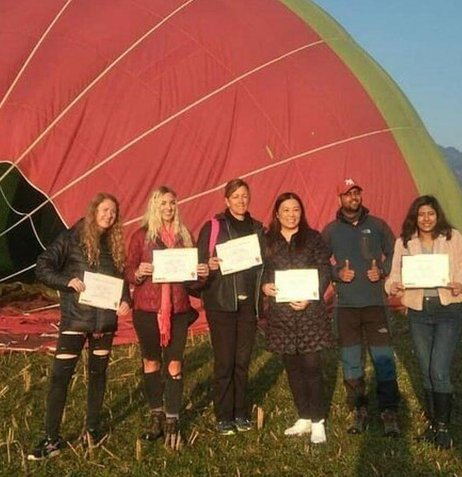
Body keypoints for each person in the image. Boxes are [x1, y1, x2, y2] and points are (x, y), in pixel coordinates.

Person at [29, 192, 131, 460]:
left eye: (113, 212)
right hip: (76, 319)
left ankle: (92, 429)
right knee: (60, 378)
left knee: (98, 376)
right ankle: (51, 438)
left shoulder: (115, 245)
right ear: (93, 210)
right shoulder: (72, 237)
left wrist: (125, 302)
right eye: (105, 210)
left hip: (105, 323)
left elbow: (122, 283)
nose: (109, 215)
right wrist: (67, 282)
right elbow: (42, 266)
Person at [385, 195, 462, 449]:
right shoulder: (404, 242)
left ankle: (444, 428)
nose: (426, 219)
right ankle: (433, 424)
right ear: (415, 217)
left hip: (448, 309)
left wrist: (461, 283)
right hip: (419, 311)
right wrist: (394, 286)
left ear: (438, 216)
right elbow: (393, 275)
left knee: (439, 369)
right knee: (425, 369)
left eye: (431, 214)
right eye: (421, 214)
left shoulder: (452, 237)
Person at [126, 186, 209, 446]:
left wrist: (201, 273)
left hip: (178, 310)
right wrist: (139, 272)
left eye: (172, 203)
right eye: (162, 203)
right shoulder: (141, 236)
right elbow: (128, 269)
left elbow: (193, 284)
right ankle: (156, 414)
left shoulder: (185, 236)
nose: (168, 208)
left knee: (174, 364)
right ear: (153, 206)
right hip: (148, 310)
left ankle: (173, 417)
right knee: (151, 362)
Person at [322, 178, 402, 436]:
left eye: (356, 193)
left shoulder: (377, 225)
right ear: (340, 199)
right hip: (346, 306)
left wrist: (383, 270)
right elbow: (320, 261)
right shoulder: (331, 230)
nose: (353, 197)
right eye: (347, 194)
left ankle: (389, 410)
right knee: (351, 360)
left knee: (383, 359)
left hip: (375, 304)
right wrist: (336, 273)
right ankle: (359, 408)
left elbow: (395, 252)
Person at [261, 192, 333, 444]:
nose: (291, 215)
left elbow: (325, 269)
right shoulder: (268, 241)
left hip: (310, 313)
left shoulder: (313, 238)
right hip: (281, 315)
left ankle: (317, 420)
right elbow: (263, 272)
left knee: (312, 367)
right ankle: (303, 416)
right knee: (292, 367)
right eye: (286, 210)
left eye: (296, 210)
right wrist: (265, 287)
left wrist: (311, 296)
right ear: (277, 214)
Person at [196, 178, 264, 435]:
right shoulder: (213, 227)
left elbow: (263, 265)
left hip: (248, 306)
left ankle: (241, 411)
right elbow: (199, 264)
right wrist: (208, 265)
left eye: (244, 195)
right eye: (235, 196)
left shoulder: (258, 228)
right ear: (226, 200)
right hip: (222, 303)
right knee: (225, 361)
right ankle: (224, 414)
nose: (241, 200)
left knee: (242, 361)